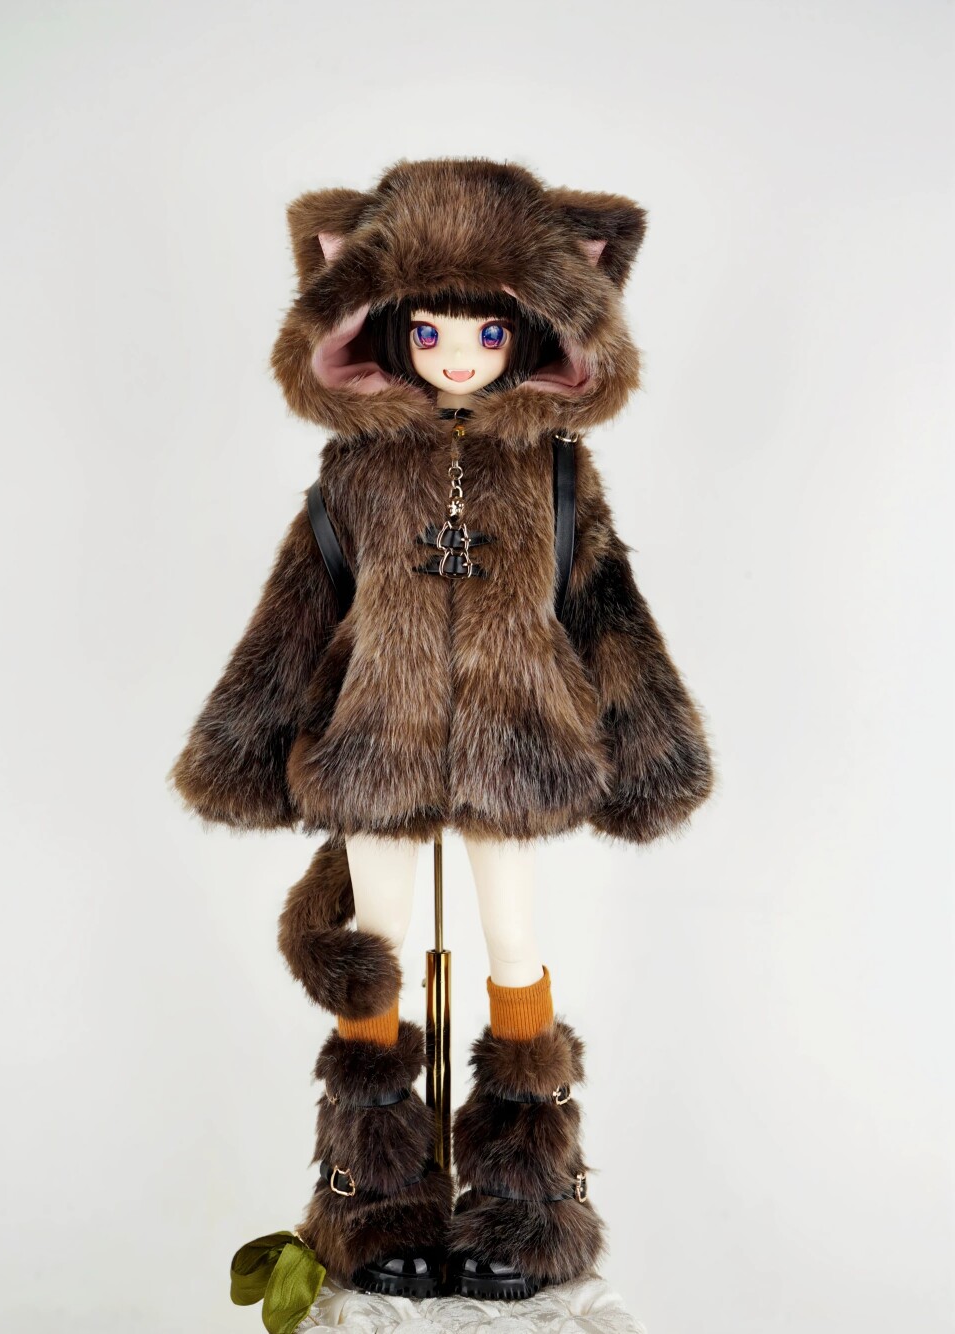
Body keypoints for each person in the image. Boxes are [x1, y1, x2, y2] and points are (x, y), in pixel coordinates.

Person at [170, 156, 714, 1300]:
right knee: (376, 951)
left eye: (486, 331)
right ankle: (371, 1203)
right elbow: (301, 603)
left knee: (513, 950)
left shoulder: (556, 473)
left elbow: (601, 600)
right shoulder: (356, 470)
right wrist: (242, 739)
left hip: (522, 752)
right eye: (428, 332)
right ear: (378, 330)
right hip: (376, 749)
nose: (458, 355)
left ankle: (529, 1201)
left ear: (537, 335)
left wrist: (650, 741)